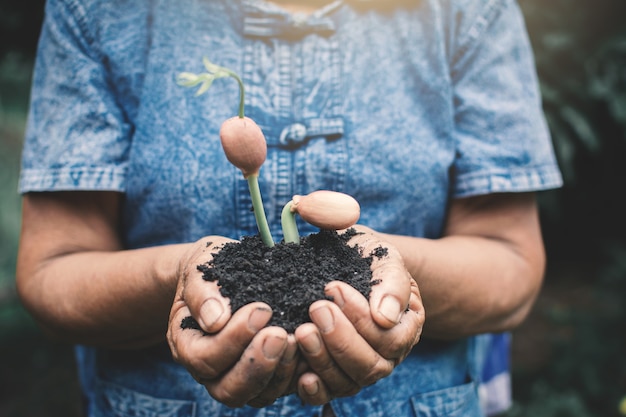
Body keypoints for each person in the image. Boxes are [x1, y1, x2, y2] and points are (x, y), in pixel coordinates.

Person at [16, 0, 563, 416]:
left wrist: (391, 274)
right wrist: (177, 277)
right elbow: (52, 270)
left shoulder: (468, 12)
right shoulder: (99, 12)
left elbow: (509, 265)